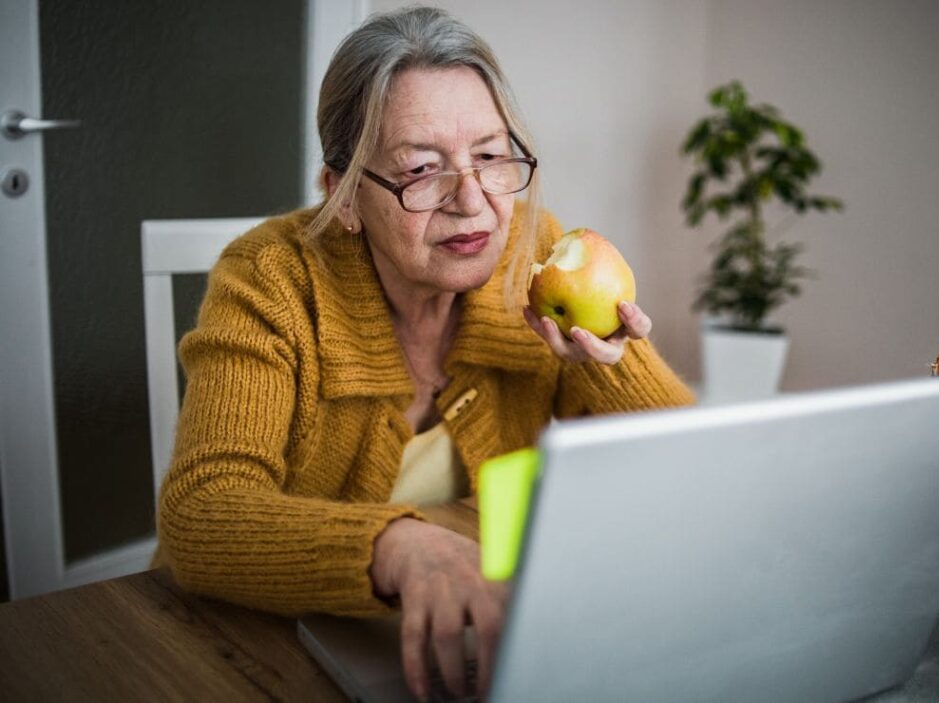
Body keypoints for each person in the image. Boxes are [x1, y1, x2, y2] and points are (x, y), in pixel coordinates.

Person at [156, 6, 693, 701]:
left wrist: (618, 363)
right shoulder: (270, 281)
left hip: (467, 633)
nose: (472, 201)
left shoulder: (534, 257)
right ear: (343, 196)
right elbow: (202, 514)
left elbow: (691, 472)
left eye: (493, 156)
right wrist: (399, 545)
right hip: (257, 645)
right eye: (421, 168)